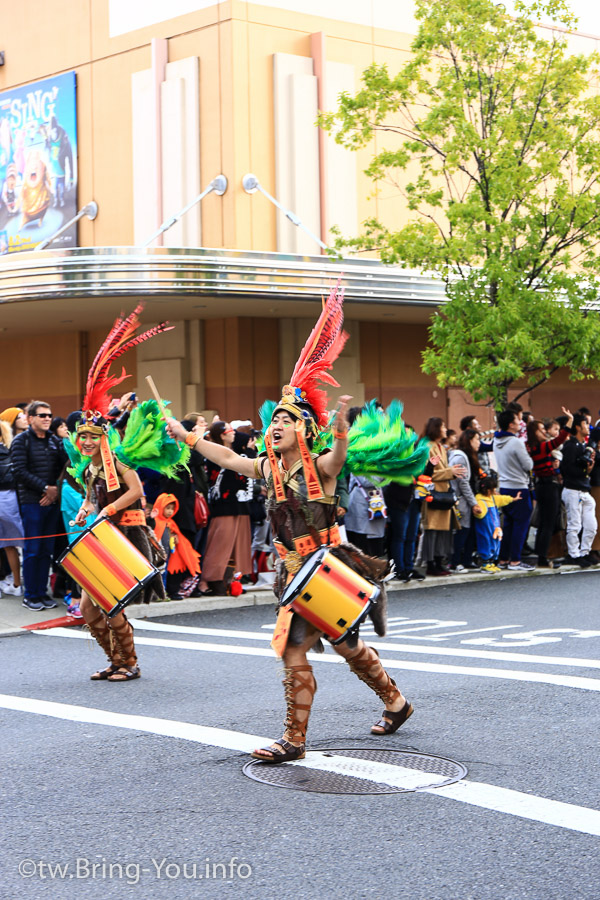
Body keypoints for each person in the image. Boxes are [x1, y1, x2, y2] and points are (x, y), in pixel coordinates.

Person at [168, 286, 418, 763]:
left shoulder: (320, 466)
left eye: (287, 419)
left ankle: (295, 742)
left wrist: (341, 430)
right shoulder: (267, 468)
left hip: (328, 569)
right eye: (274, 419)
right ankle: (396, 702)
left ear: (305, 429)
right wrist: (189, 436)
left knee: (294, 651)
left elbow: (340, 457)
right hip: (294, 574)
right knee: (345, 647)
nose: (277, 424)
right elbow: (225, 456)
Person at [64, 306, 182, 680]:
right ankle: (114, 659)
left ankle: (129, 663)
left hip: (125, 535)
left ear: (102, 438)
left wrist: (108, 508)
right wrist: (86, 509)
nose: (84, 442)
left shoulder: (121, 461)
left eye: (90, 437)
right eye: (81, 436)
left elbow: (135, 491)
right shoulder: (92, 466)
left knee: (112, 606)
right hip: (101, 534)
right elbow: (90, 495)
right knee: (87, 607)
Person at [10, 400, 67, 610]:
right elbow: (19, 471)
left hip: (51, 501)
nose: (47, 419)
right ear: (31, 418)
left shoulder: (54, 441)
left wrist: (54, 492)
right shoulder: (21, 441)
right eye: (42, 415)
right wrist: (45, 488)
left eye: (49, 415)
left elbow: (65, 468)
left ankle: (42, 593)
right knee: (33, 550)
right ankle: (31, 595)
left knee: (47, 550)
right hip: (31, 502)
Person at [198, 421, 253, 594]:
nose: (234, 433)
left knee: (237, 546)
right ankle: (208, 580)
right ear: (222, 434)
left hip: (240, 504)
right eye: (230, 430)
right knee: (220, 545)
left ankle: (228, 579)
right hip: (223, 505)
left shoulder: (236, 452)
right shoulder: (215, 453)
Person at [526, 408, 572, 568]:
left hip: (541, 485)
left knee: (544, 523)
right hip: (549, 485)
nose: (544, 432)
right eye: (541, 430)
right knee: (548, 523)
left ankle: (541, 556)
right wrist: (570, 421)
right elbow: (559, 439)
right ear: (535, 432)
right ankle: (543, 558)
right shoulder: (541, 447)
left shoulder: (531, 447)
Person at [420, 418, 466, 576]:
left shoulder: (440, 447)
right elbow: (426, 473)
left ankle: (439, 561)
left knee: (442, 531)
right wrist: (449, 472)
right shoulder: (426, 446)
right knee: (432, 530)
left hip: (443, 494)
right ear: (435, 428)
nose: (446, 429)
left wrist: (451, 472)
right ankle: (431, 563)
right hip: (433, 493)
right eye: (443, 426)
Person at [493, 408, 534, 570]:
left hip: (504, 486)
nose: (520, 423)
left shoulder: (496, 441)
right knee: (521, 524)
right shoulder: (516, 442)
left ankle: (503, 559)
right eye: (517, 421)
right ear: (511, 425)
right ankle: (515, 560)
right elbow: (528, 465)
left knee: (508, 524)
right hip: (519, 488)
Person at [561, 413, 597, 567]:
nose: (588, 427)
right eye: (585, 424)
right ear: (577, 427)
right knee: (574, 524)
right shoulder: (570, 446)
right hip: (572, 489)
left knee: (591, 525)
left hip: (584, 489)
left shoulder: (582, 445)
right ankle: (573, 554)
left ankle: (585, 552)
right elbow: (566, 469)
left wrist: (588, 468)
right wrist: (585, 470)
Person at [472, 474, 522, 573]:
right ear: (488, 490)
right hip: (485, 528)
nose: (495, 491)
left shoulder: (493, 498)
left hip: (495, 529)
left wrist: (513, 499)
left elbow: (502, 499)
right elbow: (480, 514)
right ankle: (485, 563)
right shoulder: (480, 500)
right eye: (493, 489)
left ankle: (491, 562)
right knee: (486, 543)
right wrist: (478, 512)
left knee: (495, 544)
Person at [449, 428, 482, 571]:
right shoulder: (461, 457)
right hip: (461, 500)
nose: (479, 443)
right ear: (469, 440)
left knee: (467, 531)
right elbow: (463, 483)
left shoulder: (464, 455)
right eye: (477, 439)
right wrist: (474, 503)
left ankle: (466, 560)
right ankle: (455, 562)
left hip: (464, 499)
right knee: (462, 532)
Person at [0, 419, 24, 596]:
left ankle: (15, 583)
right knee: (10, 545)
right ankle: (16, 583)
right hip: (10, 498)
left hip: (5, 498)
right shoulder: (9, 450)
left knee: (10, 544)